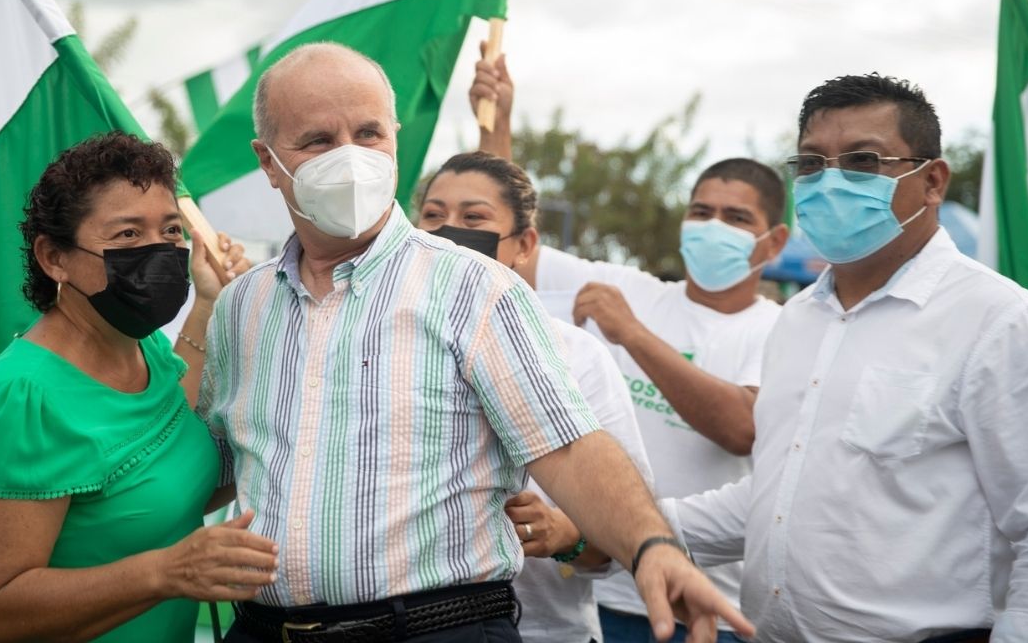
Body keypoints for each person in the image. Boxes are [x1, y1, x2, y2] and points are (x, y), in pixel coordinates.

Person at [197, 42, 754, 643]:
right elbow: (213, 467)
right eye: (318, 141)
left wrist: (651, 547)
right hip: (263, 630)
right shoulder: (241, 308)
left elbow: (565, 447)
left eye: (368, 133)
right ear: (267, 160)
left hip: (435, 630)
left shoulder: (475, 288)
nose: (351, 158)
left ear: (395, 138)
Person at [664, 73, 1028, 642]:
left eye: (864, 161)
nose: (831, 182)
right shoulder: (797, 320)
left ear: (932, 181)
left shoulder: (998, 320)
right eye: (811, 164)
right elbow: (777, 493)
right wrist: (628, 528)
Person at [470, 46, 786, 643]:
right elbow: (498, 238)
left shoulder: (778, 328)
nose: (713, 226)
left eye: (736, 218)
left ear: (773, 243)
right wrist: (498, 120)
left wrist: (634, 336)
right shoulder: (633, 288)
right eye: (701, 211)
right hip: (602, 580)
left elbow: (740, 428)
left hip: (704, 603)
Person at [0, 132, 278, 642]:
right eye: (126, 235)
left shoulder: (139, 345)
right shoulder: (23, 398)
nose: (158, 250)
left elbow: (163, 444)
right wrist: (166, 572)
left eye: (170, 230)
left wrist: (207, 304)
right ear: (54, 257)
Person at [418, 149, 654, 643]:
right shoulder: (383, 345)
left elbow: (624, 536)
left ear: (523, 244)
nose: (447, 232)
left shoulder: (577, 357)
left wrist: (567, 536)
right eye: (433, 216)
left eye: (473, 218)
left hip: (550, 632)